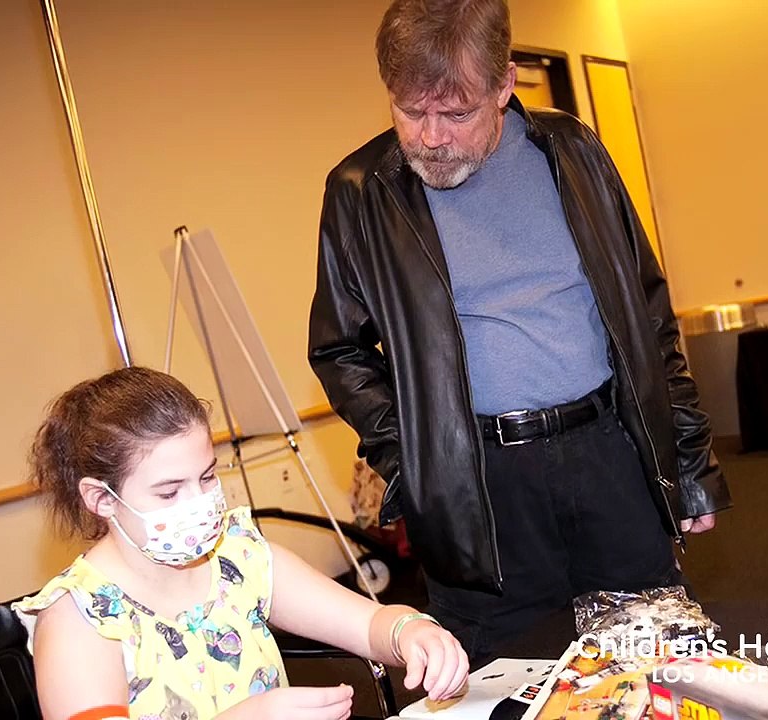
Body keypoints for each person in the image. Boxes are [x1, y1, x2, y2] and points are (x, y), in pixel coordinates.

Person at [307, 0, 731, 665]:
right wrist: (415, 462)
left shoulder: (574, 152)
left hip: (606, 456)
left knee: (659, 673)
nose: (430, 137)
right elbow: (339, 350)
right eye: (410, 111)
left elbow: (646, 310)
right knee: (494, 685)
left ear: (504, 87)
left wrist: (688, 458)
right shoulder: (362, 191)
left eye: (456, 113)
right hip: (479, 486)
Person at [14, 367, 468, 720]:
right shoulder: (79, 617)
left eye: (207, 476)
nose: (201, 503)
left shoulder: (236, 556)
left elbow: (370, 625)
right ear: (101, 499)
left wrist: (412, 632)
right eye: (169, 492)